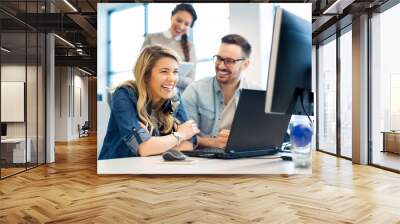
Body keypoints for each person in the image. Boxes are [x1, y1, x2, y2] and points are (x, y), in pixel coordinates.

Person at [99, 45, 200, 159]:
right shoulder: (124, 94)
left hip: (152, 168)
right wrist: (179, 135)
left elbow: (190, 143)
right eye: (164, 71)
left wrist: (154, 145)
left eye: (175, 72)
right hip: (116, 167)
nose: (172, 78)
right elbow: (143, 147)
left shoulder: (174, 99)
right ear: (146, 75)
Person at [182, 34, 261, 149]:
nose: (221, 66)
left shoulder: (258, 95)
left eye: (229, 61)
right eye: (219, 58)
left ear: (245, 64)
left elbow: (266, 137)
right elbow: (183, 135)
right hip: (203, 162)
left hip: (243, 159)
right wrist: (212, 142)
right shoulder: (195, 90)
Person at [142, 3, 197, 92]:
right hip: (152, 93)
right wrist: (175, 76)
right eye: (179, 20)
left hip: (178, 98)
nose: (181, 26)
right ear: (171, 17)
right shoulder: (151, 39)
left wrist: (166, 76)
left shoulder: (190, 47)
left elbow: (191, 81)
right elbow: (141, 68)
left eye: (186, 24)